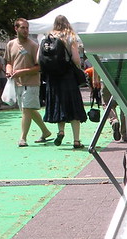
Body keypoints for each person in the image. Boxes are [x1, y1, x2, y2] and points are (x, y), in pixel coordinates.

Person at [5, 18, 53, 147]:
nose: (26, 30)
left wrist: (22, 72)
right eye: (23, 28)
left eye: (27, 28)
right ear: (16, 28)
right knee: (29, 110)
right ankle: (45, 131)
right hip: (17, 83)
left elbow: (39, 67)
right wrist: (9, 71)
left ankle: (23, 138)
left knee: (26, 109)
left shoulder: (33, 46)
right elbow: (9, 62)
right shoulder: (10, 44)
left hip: (31, 83)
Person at [41, 15, 88, 149]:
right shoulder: (70, 36)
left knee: (59, 105)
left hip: (53, 78)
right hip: (67, 76)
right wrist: (79, 68)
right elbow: (76, 59)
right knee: (73, 107)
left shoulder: (48, 37)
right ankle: (76, 141)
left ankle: (61, 131)